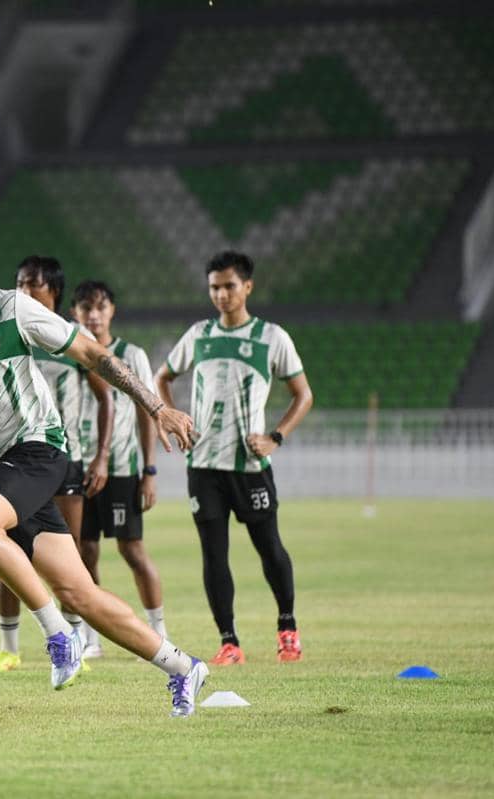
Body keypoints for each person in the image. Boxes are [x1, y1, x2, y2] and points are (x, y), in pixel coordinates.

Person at [0, 216, 208, 716]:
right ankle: (184, 668)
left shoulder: (10, 308)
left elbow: (93, 354)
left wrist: (156, 407)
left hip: (40, 446)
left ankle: (59, 637)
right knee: (80, 594)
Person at [155, 250, 313, 665]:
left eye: (229, 286)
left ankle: (288, 629)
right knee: (214, 554)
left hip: (249, 465)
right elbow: (162, 376)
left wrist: (275, 437)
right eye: (214, 288)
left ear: (248, 287)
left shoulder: (271, 337)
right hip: (203, 464)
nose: (221, 295)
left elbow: (303, 395)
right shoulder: (199, 335)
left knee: (270, 547)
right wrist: (172, 416)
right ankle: (229, 642)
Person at [0, 256, 114, 673]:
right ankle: (8, 649)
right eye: (20, 283)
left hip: (64, 458)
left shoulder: (70, 337)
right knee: (8, 551)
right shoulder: (7, 333)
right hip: (17, 460)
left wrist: (101, 455)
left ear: (53, 290)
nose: (24, 291)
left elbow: (105, 397)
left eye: (33, 284)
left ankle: (75, 643)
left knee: (71, 556)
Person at [70, 281, 169, 659]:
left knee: (132, 550)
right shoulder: (69, 351)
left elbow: (147, 412)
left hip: (123, 467)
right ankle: (91, 639)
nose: (93, 315)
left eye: (100, 307)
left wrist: (149, 470)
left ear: (112, 310)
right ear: (75, 313)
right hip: (79, 466)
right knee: (84, 552)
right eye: (85, 308)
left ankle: (159, 632)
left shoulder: (131, 355)